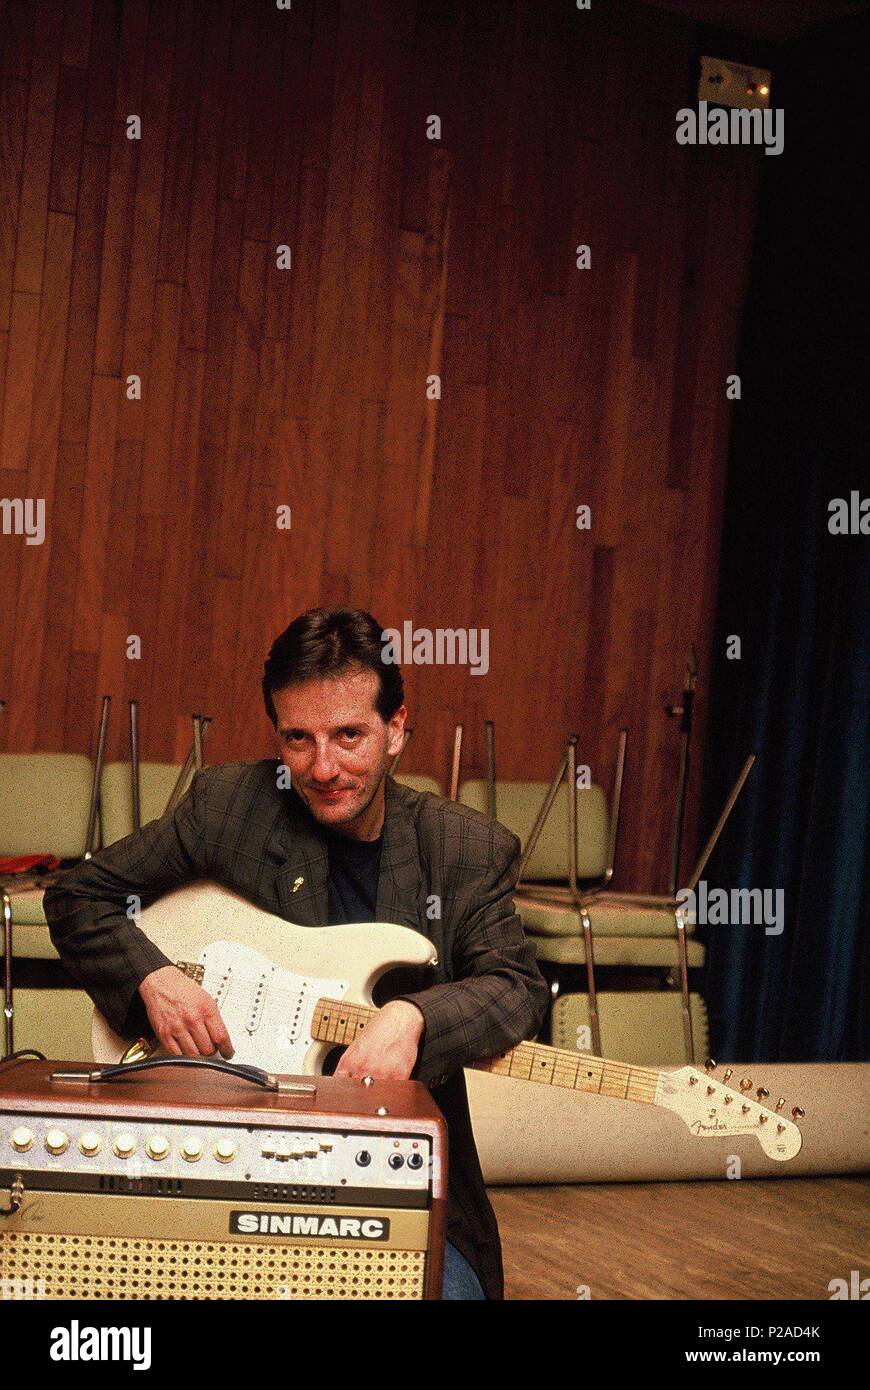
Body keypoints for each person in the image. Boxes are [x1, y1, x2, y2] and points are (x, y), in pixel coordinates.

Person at [44, 607, 549, 1299]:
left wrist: (414, 1018)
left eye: (349, 736)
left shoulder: (464, 849)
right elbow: (78, 897)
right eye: (298, 739)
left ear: (398, 727)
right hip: (230, 1172)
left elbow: (516, 987)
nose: (323, 767)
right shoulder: (231, 807)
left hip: (390, 1191)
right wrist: (151, 978)